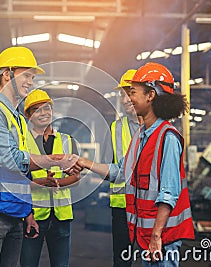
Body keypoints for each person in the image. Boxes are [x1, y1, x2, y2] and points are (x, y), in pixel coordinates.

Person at [0, 46, 80, 267]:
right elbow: (11, 160)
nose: (31, 81)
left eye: (32, 76)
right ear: (7, 74)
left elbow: (21, 172)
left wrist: (27, 212)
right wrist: (57, 159)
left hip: (14, 213)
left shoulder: (18, 119)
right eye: (26, 75)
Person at [77, 62, 195, 266]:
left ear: (150, 95)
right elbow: (120, 171)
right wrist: (83, 162)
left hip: (162, 238)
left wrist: (156, 236)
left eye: (133, 92)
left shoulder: (167, 137)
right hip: (145, 234)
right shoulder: (141, 136)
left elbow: (169, 192)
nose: (129, 99)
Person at [20, 89, 80, 267]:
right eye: (37, 109)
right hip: (33, 215)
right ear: (29, 115)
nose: (43, 113)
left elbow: (76, 176)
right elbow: (16, 180)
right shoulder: (22, 142)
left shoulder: (67, 140)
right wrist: (41, 184)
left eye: (46, 108)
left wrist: (56, 183)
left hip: (61, 216)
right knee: (28, 264)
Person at [103, 69, 141, 267]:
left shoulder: (160, 127)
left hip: (150, 205)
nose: (125, 100)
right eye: (122, 95)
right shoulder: (115, 127)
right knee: (122, 259)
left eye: (130, 93)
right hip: (122, 206)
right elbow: (110, 165)